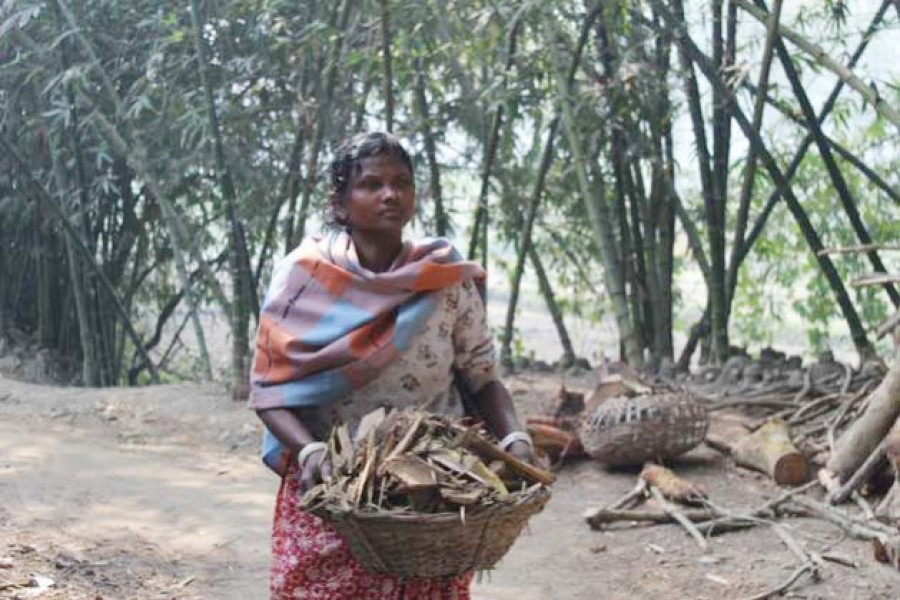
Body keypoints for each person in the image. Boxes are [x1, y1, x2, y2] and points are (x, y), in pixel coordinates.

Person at [249, 132, 533, 599]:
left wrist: (515, 440)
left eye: (402, 182)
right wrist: (310, 453)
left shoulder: (443, 278)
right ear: (340, 203)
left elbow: (481, 375)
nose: (390, 194)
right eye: (372, 184)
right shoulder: (304, 278)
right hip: (333, 485)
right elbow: (269, 390)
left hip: (430, 488)